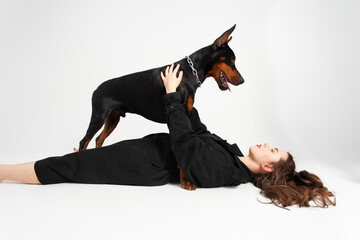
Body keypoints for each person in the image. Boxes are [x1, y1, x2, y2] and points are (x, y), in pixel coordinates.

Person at [0, 64, 335, 209]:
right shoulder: (231, 154)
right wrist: (187, 93)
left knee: (70, 167)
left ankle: (3, 171)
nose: (265, 144)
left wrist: (172, 96)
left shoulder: (228, 172)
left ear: (266, 169)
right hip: (147, 151)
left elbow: (186, 145)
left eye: (272, 150)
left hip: (147, 164)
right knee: (76, 162)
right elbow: (198, 130)